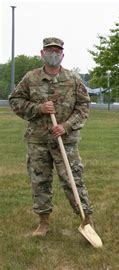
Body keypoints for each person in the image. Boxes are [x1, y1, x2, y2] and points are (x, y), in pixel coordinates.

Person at [9, 37, 94, 236]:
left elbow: (83, 107)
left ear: (62, 55)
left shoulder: (73, 79)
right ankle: (43, 223)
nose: (53, 54)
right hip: (38, 140)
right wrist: (38, 108)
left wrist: (66, 126)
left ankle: (86, 219)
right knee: (40, 181)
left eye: (57, 51)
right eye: (49, 51)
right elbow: (15, 100)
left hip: (66, 141)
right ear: (42, 54)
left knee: (73, 180)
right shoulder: (31, 78)